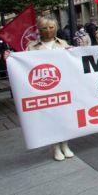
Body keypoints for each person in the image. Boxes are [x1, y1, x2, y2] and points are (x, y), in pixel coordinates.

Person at [26, 17, 75, 161]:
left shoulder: (63, 43)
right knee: (50, 118)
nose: (48, 31)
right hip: (44, 88)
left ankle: (65, 144)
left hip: (63, 86)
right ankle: (55, 147)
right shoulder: (31, 46)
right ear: (39, 30)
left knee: (65, 116)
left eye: (51, 27)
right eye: (45, 28)